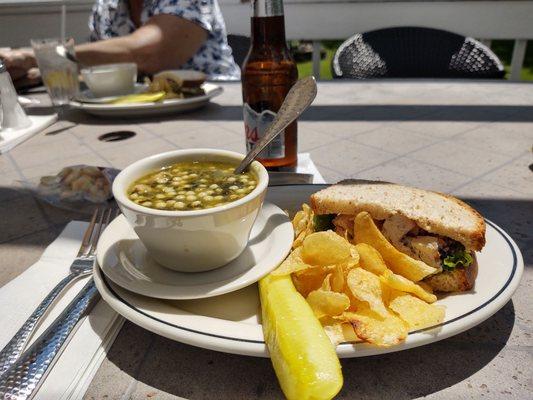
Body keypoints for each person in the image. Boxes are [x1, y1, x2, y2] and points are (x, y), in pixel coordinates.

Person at [0, 0, 240, 86]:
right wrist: (37, 72)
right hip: (136, 112)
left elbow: (148, 54)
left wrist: (36, 56)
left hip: (215, 106)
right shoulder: (107, 7)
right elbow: (93, 67)